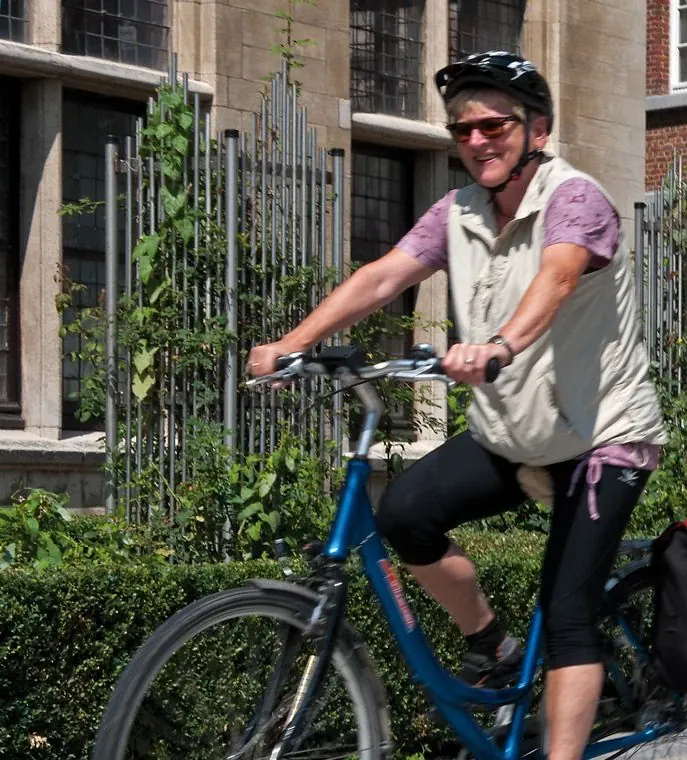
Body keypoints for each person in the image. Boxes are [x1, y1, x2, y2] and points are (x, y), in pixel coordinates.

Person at [246, 52, 663, 760]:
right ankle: (493, 646)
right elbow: (384, 277)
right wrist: (294, 342)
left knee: (566, 616)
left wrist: (498, 345)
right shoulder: (459, 212)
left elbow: (557, 278)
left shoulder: (575, 200)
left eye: (493, 124)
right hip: (514, 436)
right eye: (462, 130)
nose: (476, 142)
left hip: (602, 442)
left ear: (538, 128)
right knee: (405, 514)